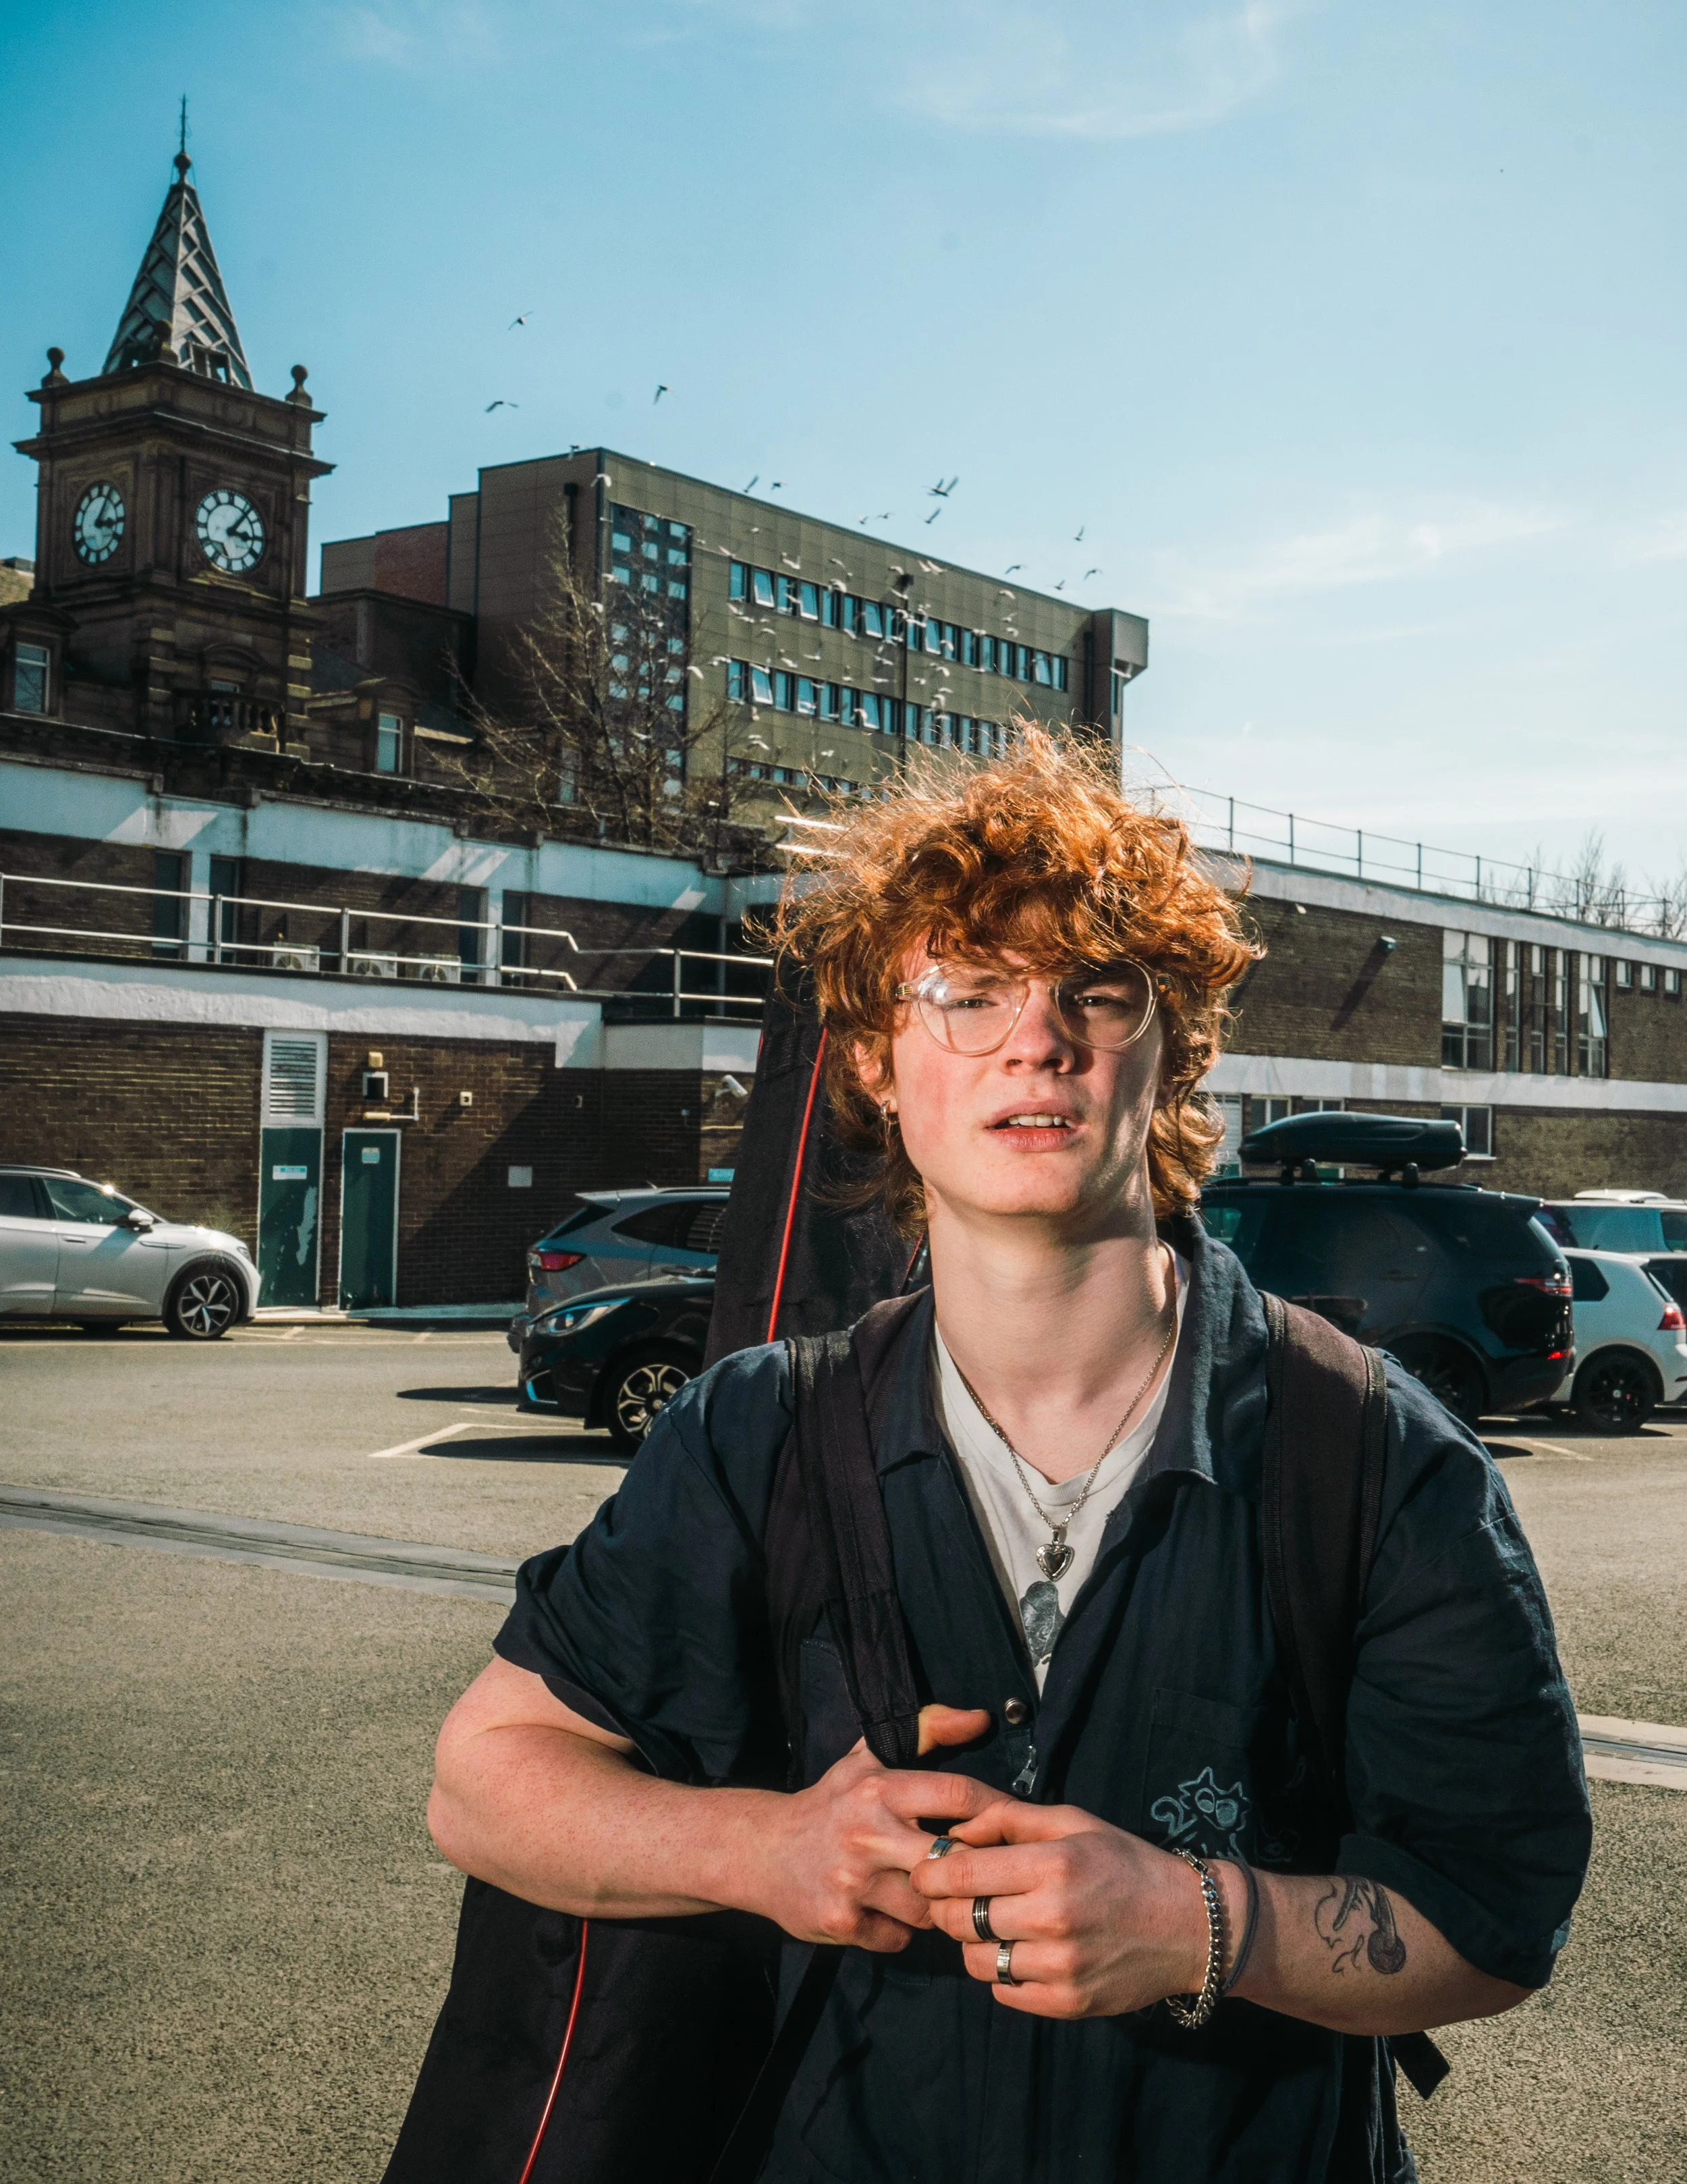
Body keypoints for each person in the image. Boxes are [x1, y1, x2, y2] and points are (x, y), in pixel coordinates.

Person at [428, 730, 1590, 2183]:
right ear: (875, 1060)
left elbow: (1491, 1913)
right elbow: (482, 1777)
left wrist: (1193, 1923)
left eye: (1089, 994)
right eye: (964, 995)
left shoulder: (1368, 1456)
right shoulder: (755, 1433)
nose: (1032, 1040)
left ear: (1168, 1049)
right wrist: (769, 1852)